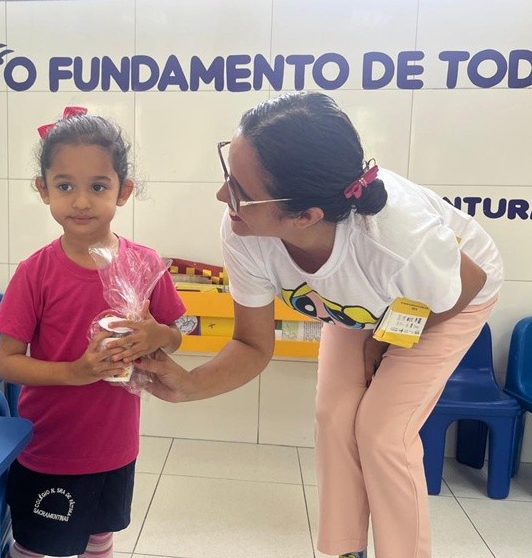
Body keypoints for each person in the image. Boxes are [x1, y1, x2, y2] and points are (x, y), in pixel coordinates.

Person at [133, 92, 503, 558]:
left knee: (382, 431)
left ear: (305, 216)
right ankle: (346, 550)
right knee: (334, 417)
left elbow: (467, 284)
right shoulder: (245, 230)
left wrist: (383, 342)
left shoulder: (399, 241)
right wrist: (188, 385)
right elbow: (251, 344)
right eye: (228, 175)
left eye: (240, 190)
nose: (223, 197)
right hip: (360, 303)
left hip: (448, 300)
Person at [0, 108, 186, 558]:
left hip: (116, 446)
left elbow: (176, 335)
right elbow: (7, 363)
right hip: (50, 446)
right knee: (35, 546)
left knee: (100, 538)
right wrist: (76, 372)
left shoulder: (144, 264)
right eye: (65, 186)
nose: (81, 201)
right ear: (43, 190)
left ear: (123, 191)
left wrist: (156, 335)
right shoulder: (34, 272)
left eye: (98, 186)